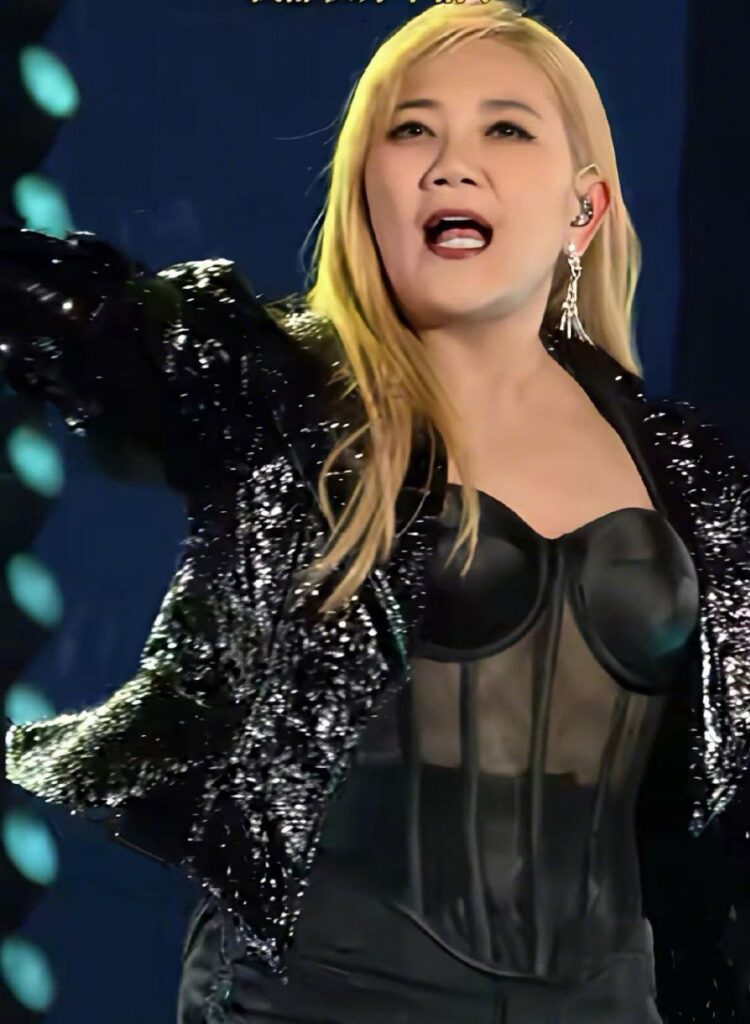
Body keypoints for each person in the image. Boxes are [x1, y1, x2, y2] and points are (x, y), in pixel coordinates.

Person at [2, 2, 750, 1021]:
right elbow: (92, 326)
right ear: (368, 192)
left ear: (584, 208)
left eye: (505, 128)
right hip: (322, 995)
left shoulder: (687, 470)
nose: (450, 164)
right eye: (411, 130)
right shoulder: (283, 393)